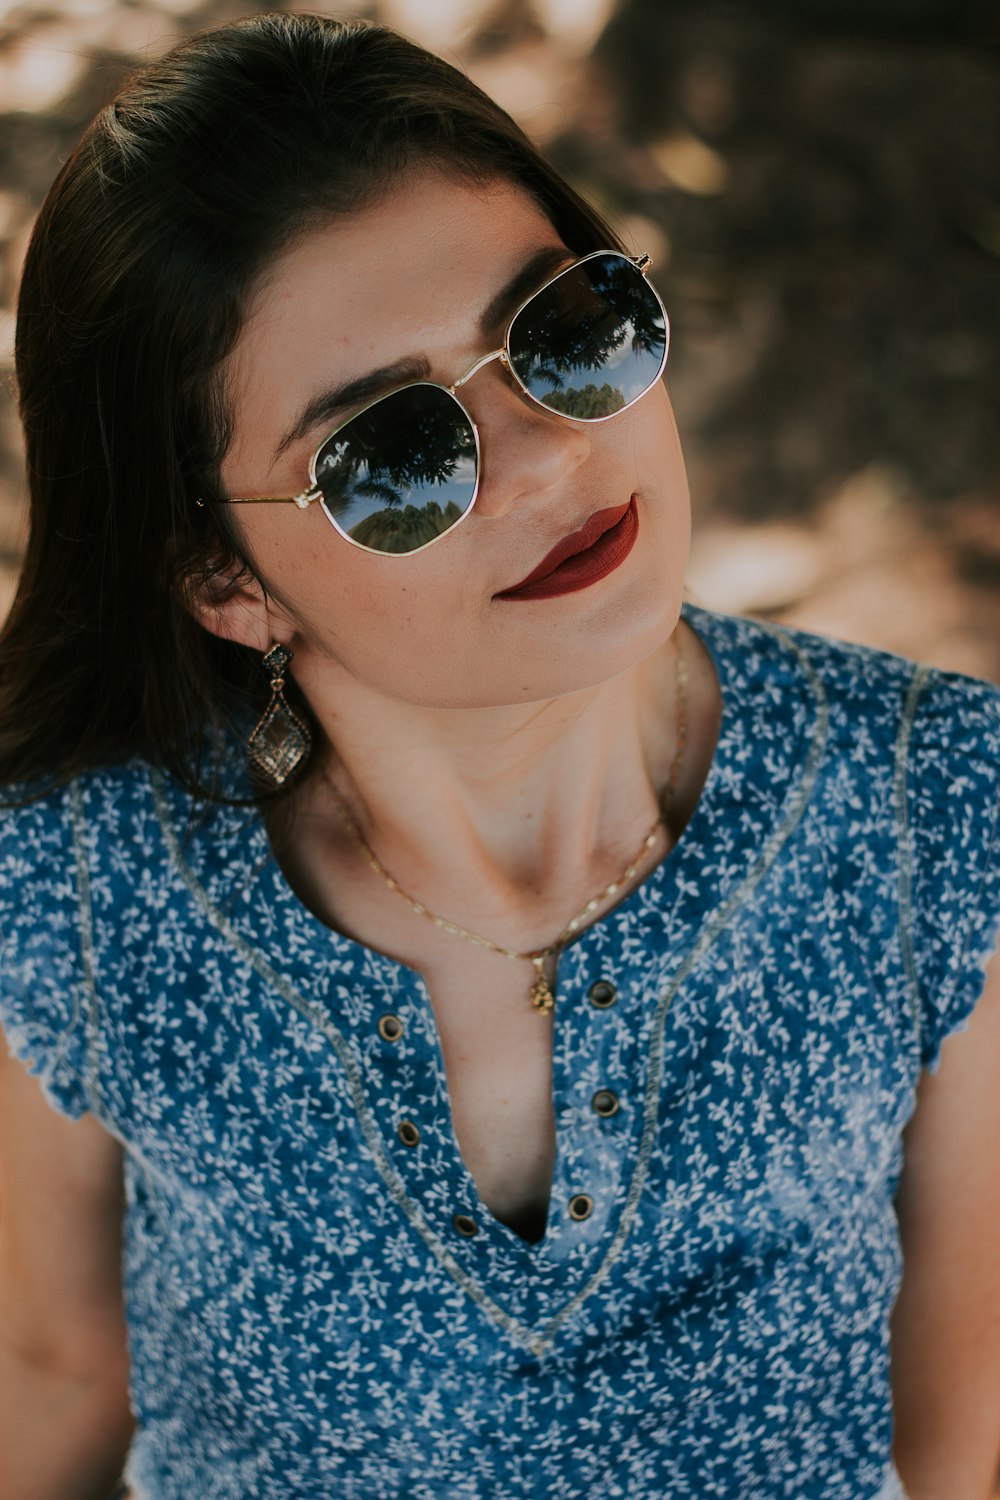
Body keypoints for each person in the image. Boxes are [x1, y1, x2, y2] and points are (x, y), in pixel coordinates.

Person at [0, 12, 997, 1500]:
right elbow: (52, 1376)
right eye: (395, 452)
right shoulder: (73, 884)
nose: (549, 454)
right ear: (226, 582)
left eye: (566, 333)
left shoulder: (941, 805)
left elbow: (966, 1417)